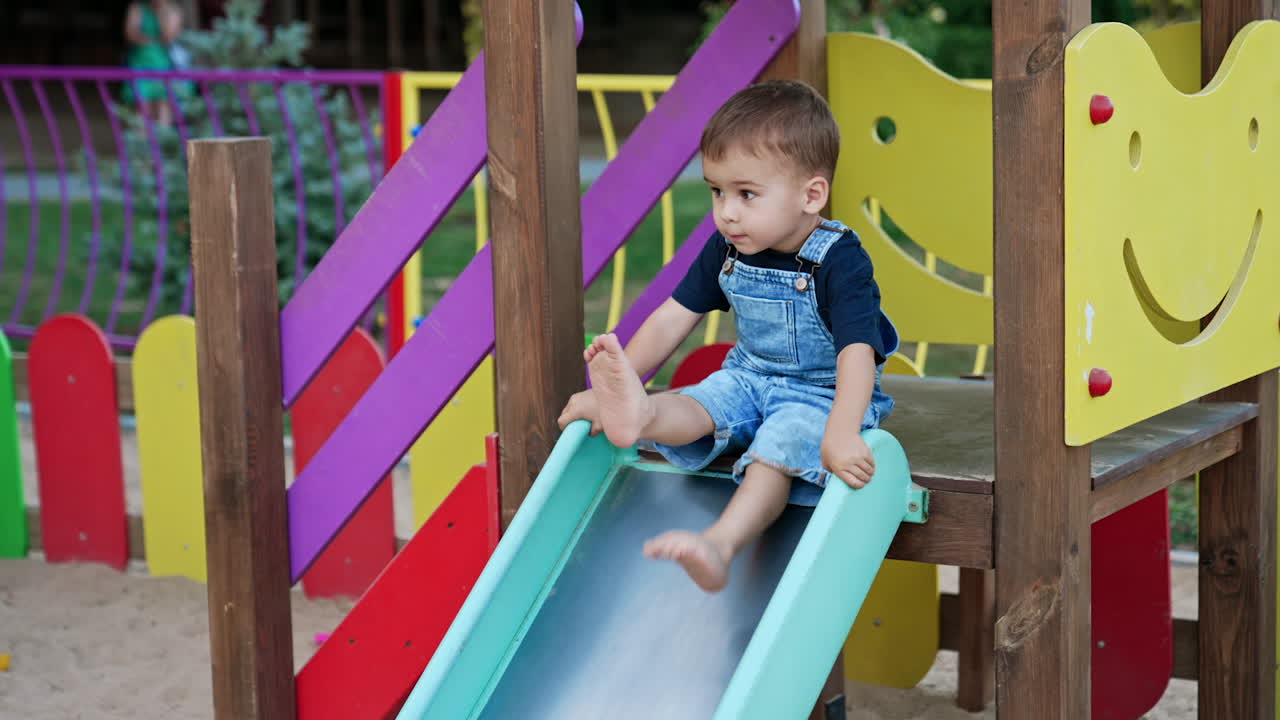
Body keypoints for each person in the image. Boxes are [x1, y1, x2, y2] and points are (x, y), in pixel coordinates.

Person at [558, 80, 899, 594]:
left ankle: (719, 544)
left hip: (823, 396)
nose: (727, 211)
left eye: (746, 194)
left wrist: (842, 431)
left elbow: (857, 352)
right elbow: (673, 317)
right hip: (749, 376)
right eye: (717, 191)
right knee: (703, 400)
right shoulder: (728, 248)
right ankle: (638, 413)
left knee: (779, 444)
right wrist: (618, 383)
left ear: (811, 195)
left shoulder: (840, 259)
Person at [123, 1, 185, 126]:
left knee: (164, 105)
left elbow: (168, 37)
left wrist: (161, 12)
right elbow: (130, 34)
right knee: (142, 108)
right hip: (140, 63)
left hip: (165, 63)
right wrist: (152, 40)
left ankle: (163, 136)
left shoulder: (172, 10)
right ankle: (143, 137)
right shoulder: (138, 7)